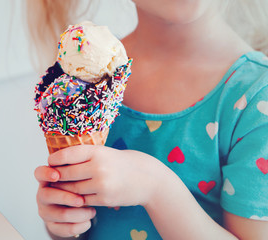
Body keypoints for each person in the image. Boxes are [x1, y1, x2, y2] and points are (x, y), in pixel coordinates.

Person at [26, 0, 268, 239]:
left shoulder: (257, 97)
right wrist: (64, 222)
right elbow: (79, 222)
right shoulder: (87, 73)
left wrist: (155, 188)